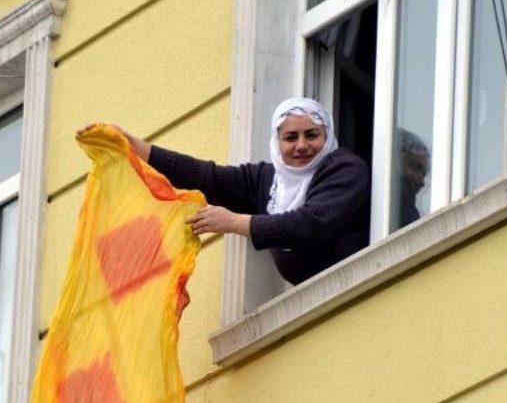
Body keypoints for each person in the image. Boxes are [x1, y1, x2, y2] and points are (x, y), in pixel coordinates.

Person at [86, 97, 370, 285]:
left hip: (358, 293)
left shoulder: (345, 169)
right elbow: (206, 177)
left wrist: (234, 222)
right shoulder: (268, 180)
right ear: (277, 143)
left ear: (328, 136)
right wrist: (136, 147)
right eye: (290, 137)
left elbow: (311, 224)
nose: (301, 145)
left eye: (312, 135)